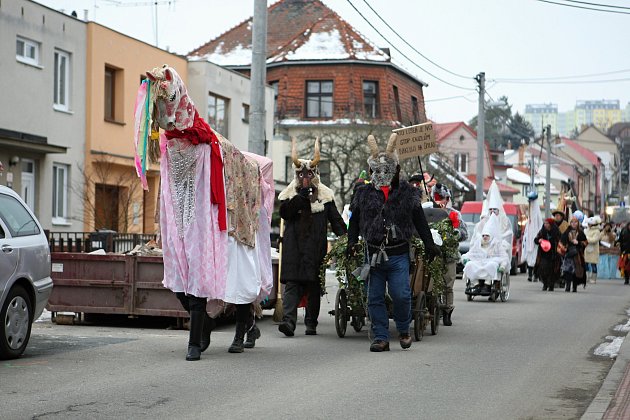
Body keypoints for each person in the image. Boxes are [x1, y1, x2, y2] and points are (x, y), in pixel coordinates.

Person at [348, 133, 440, 352]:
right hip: (373, 254)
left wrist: (429, 244)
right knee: (375, 297)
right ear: (371, 171)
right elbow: (354, 220)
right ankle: (380, 337)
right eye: (377, 170)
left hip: (398, 255)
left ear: (396, 170)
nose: (382, 174)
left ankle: (403, 329)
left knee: (401, 294)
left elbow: (420, 221)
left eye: (387, 170)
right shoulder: (363, 194)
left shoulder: (408, 194)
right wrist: (352, 242)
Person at [277, 138, 347, 337]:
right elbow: (284, 213)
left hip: (315, 250)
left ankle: (311, 323)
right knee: (291, 284)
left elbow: (336, 221)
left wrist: (347, 239)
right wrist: (300, 197)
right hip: (293, 249)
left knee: (313, 286)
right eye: (301, 174)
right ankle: (289, 322)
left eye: (308, 174)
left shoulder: (325, 197)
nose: (304, 178)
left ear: (315, 174)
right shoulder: (290, 194)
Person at [430, 183, 468, 326]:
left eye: (445, 198)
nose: (442, 201)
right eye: (439, 197)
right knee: (432, 283)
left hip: (449, 255)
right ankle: (433, 309)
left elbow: (465, 233)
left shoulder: (455, 214)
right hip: (434, 254)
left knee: (448, 285)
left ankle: (447, 311)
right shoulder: (429, 211)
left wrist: (456, 233)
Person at [461, 213, 511, 297]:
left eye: (487, 235)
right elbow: (471, 253)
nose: (485, 237)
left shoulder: (496, 244)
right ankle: (476, 284)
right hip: (479, 262)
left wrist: (503, 265)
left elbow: (504, 257)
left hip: (491, 262)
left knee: (492, 265)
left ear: (490, 236)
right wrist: (465, 258)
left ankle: (487, 284)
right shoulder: (478, 243)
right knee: (469, 264)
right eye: (483, 235)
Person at [560, 216, 588, 292]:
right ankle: (568, 286)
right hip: (569, 254)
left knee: (576, 271)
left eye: (575, 222)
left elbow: (586, 242)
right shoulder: (566, 232)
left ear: (578, 223)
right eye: (572, 222)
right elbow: (561, 242)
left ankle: (574, 287)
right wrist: (565, 248)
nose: (574, 224)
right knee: (567, 271)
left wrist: (578, 243)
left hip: (577, 254)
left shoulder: (581, 232)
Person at [533, 218, 561, 291]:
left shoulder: (556, 231)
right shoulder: (542, 232)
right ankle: (545, 284)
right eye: (545, 223)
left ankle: (551, 285)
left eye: (547, 223)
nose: (545, 225)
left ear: (551, 224)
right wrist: (539, 240)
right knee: (542, 269)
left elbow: (560, 240)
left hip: (553, 254)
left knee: (552, 270)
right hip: (543, 254)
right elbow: (535, 240)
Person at [523, 192, 543, 282]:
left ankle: (536, 275)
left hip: (536, 239)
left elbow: (540, 227)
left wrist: (538, 238)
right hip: (529, 239)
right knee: (530, 257)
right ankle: (530, 274)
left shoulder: (537, 214)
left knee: (535, 257)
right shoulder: (530, 215)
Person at [584, 216, 602, 284]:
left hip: (593, 250)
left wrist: (587, 239)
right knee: (586, 264)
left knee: (593, 264)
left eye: (589, 223)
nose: (588, 224)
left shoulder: (597, 231)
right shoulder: (587, 230)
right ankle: (586, 277)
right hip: (586, 249)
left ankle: (593, 278)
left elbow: (594, 240)